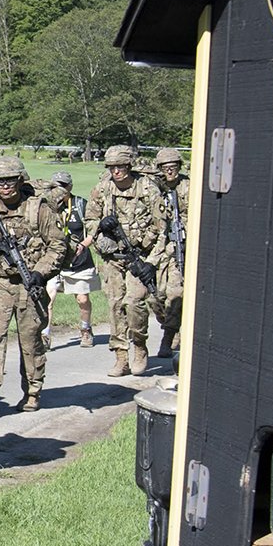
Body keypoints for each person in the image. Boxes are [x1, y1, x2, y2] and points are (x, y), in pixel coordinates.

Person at [0, 158, 69, 417]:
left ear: (20, 180)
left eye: (10, 180)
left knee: (30, 340)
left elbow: (57, 246)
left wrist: (40, 274)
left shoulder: (38, 209)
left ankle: (32, 391)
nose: (5, 186)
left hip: (29, 283)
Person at [87, 145, 166, 376]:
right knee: (115, 305)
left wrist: (151, 263)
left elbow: (162, 230)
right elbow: (89, 220)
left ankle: (139, 347)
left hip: (139, 257)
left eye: (120, 166)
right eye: (112, 167)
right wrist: (101, 226)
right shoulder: (102, 190)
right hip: (112, 259)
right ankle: (121, 356)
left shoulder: (148, 190)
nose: (116, 171)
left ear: (128, 166)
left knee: (134, 303)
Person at [40, 170, 98, 345]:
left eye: (64, 186)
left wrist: (83, 245)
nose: (60, 190)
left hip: (78, 260)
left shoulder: (80, 204)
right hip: (53, 259)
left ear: (70, 187)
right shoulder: (46, 206)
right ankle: (45, 335)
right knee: (48, 297)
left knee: (82, 299)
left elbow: (94, 230)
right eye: (56, 186)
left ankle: (86, 329)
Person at [146, 147, 190, 357]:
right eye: (165, 168)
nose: (169, 172)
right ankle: (173, 324)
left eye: (173, 167)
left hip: (179, 247)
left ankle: (168, 338)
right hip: (157, 249)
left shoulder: (188, 187)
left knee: (175, 295)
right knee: (155, 297)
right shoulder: (153, 188)